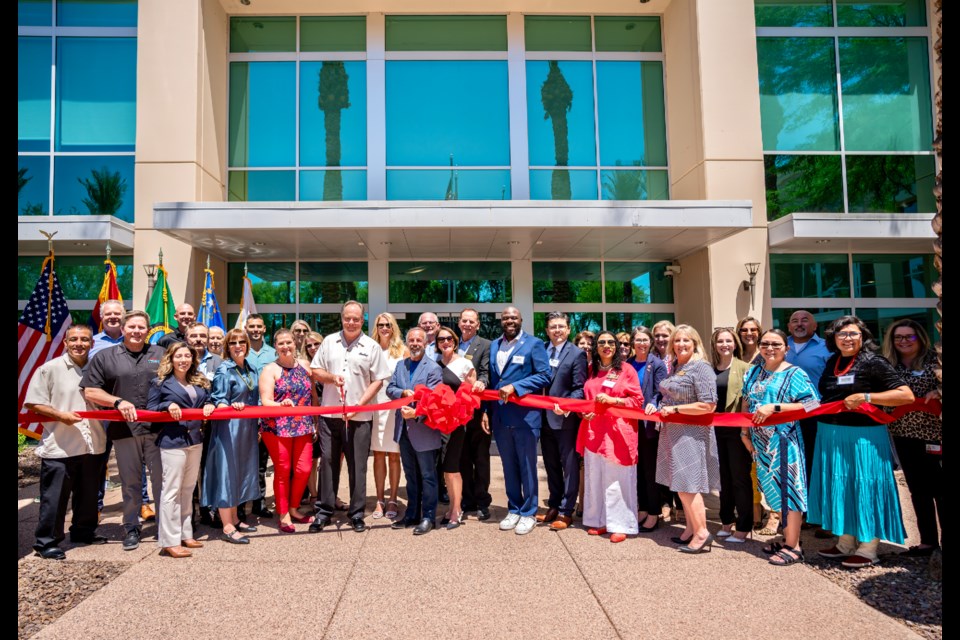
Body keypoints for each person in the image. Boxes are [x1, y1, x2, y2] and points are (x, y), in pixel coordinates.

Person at [811, 315, 914, 568]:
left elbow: (906, 395)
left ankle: (868, 548)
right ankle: (845, 543)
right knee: (841, 487)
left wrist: (867, 396)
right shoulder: (833, 361)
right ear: (833, 338)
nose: (847, 338)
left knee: (866, 487)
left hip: (864, 437)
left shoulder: (873, 362)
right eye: (842, 334)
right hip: (832, 434)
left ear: (863, 337)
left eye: (853, 334)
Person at [81, 310, 165, 552]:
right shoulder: (105, 356)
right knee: (130, 482)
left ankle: (165, 527)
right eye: (132, 327)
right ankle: (131, 527)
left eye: (141, 327)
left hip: (158, 430)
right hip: (123, 429)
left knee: (161, 480)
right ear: (124, 329)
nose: (137, 331)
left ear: (148, 330)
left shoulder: (160, 354)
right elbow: (90, 391)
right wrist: (117, 401)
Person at [25, 325, 107, 559]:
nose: (79, 343)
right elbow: (33, 403)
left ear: (92, 343)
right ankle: (46, 542)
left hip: (94, 442)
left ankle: (83, 531)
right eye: (74, 339)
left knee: (89, 493)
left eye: (84, 339)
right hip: (61, 445)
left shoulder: (96, 369)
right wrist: (61, 415)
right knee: (55, 499)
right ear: (65, 343)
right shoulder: (49, 369)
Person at [310, 301, 392, 533]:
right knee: (327, 464)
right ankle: (324, 511)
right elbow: (316, 371)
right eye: (347, 318)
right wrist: (331, 377)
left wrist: (360, 404)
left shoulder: (371, 346)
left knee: (357, 467)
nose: (351, 322)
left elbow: (378, 379)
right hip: (330, 414)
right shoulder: (328, 342)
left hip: (360, 417)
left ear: (362, 320)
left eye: (356, 318)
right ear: (342, 318)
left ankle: (356, 513)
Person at [742, 329, 820, 566]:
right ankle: (787, 537)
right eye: (765, 344)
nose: (770, 348)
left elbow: (812, 404)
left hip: (784, 442)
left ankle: (794, 547)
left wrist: (775, 407)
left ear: (786, 348)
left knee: (790, 492)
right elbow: (747, 401)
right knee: (773, 492)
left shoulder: (794, 373)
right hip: (759, 443)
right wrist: (743, 432)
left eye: (776, 344)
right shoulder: (754, 371)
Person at [648, 324, 719, 554]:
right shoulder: (678, 367)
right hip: (673, 432)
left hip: (691, 434)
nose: (681, 344)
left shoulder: (701, 368)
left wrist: (676, 411)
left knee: (689, 485)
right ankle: (690, 528)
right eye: (677, 341)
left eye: (686, 340)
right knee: (680, 485)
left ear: (695, 343)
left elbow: (709, 405)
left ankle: (701, 533)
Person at [146, 343, 216, 558]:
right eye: (179, 356)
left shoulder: (199, 381)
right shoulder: (159, 383)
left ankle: (186, 534)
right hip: (172, 441)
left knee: (188, 490)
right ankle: (169, 541)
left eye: (187, 356)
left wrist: (210, 405)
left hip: (195, 439)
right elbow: (150, 409)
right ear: (171, 359)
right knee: (171, 492)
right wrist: (167, 406)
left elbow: (209, 399)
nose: (183, 360)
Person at [489, 306, 552, 536]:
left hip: (526, 417)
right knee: (509, 466)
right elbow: (493, 381)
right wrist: (488, 412)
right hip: (501, 417)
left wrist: (517, 386)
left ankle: (529, 512)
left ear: (521, 319)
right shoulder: (495, 345)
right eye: (505, 317)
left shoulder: (534, 344)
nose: (509, 320)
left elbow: (545, 375)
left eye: (513, 317)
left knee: (527, 467)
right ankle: (514, 508)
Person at [882, 319, 942, 557]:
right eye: (898, 337)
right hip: (903, 435)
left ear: (920, 338)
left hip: (934, 434)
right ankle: (927, 542)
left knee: (940, 487)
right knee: (918, 489)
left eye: (909, 336)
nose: (904, 341)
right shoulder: (889, 366)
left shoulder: (934, 362)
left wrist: (938, 392)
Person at [578, 331, 644, 543]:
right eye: (601, 342)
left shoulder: (626, 370)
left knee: (617, 480)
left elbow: (637, 401)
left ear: (616, 346)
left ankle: (620, 524)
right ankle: (599, 520)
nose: (606, 346)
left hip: (618, 433)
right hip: (594, 432)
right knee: (595, 478)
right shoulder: (591, 370)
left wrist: (613, 401)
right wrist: (584, 411)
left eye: (610, 342)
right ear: (595, 347)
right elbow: (586, 398)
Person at [90, 299, 153, 522]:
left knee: (138, 462)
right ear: (102, 316)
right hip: (102, 414)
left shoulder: (152, 350)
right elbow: (89, 384)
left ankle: (144, 503)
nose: (114, 317)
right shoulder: (92, 344)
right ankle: (96, 506)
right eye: (109, 314)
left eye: (118, 313)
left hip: (139, 416)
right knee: (99, 460)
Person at [204, 328, 262, 545]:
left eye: (242, 342)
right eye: (233, 342)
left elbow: (254, 398)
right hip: (229, 428)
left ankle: (236, 517)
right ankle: (227, 525)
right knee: (227, 472)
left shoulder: (251, 368)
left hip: (247, 428)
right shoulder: (224, 369)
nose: (238, 346)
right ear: (227, 347)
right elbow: (218, 398)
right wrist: (227, 405)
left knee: (241, 471)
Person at [259, 329, 317, 533]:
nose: (285, 346)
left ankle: (294, 507)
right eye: (281, 343)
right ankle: (283, 513)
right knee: (283, 471)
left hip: (303, 425)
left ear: (295, 344)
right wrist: (280, 404)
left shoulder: (305, 366)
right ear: (275, 346)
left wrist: (315, 420)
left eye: (289, 342)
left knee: (304, 469)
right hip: (277, 426)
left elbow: (313, 395)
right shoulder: (270, 369)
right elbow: (265, 401)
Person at [387, 328, 444, 535]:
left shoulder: (433, 368)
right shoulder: (400, 365)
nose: (415, 343)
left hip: (424, 430)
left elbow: (435, 401)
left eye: (419, 340)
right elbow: (390, 388)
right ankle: (411, 514)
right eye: (411, 340)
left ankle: (428, 516)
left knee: (428, 476)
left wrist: (416, 414)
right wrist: (401, 392)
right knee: (410, 475)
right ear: (406, 342)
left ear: (425, 342)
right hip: (403, 430)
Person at [539, 312, 587, 531]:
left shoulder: (576, 354)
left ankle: (567, 511)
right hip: (542, 418)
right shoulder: (541, 350)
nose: (556, 330)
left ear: (568, 330)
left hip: (564, 419)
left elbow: (580, 388)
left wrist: (567, 405)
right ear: (547, 330)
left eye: (561, 326)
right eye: (552, 327)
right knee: (550, 465)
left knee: (568, 466)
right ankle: (554, 505)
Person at [435, 325, 482, 529]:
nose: (445, 342)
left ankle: (456, 510)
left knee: (453, 468)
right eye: (441, 340)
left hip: (456, 424)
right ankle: (452, 507)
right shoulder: (434, 365)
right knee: (445, 469)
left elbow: (473, 394)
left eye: (449, 339)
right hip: (437, 425)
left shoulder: (464, 364)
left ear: (454, 341)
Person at [709, 327, 752, 543]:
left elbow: (749, 400)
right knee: (723, 480)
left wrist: (746, 432)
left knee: (739, 479)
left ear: (735, 344)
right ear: (714, 345)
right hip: (714, 432)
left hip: (738, 432)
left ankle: (744, 526)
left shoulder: (746, 368)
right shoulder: (710, 369)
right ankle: (726, 521)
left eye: (728, 341)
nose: (724, 344)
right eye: (720, 341)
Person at [785, 310, 832, 501]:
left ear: (815, 326)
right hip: (784, 416)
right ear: (788, 327)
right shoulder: (780, 345)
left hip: (815, 414)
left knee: (814, 462)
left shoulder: (826, 348)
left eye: (805, 320)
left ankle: (818, 512)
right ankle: (797, 511)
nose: (799, 324)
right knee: (791, 463)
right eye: (794, 321)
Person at [630, 327, 668, 532]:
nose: (641, 343)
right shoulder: (627, 364)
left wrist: (653, 403)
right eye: (638, 340)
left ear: (650, 341)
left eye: (645, 339)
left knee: (649, 470)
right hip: (630, 425)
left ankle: (654, 512)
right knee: (637, 470)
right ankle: (642, 508)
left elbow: (660, 391)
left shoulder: (657, 364)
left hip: (648, 426)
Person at [456, 308, 492, 520]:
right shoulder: (452, 344)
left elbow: (487, 373)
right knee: (462, 457)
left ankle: (482, 501)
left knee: (481, 458)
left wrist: (482, 383)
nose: (468, 324)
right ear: (459, 323)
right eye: (464, 321)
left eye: (472, 321)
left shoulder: (485, 345)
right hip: (457, 412)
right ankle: (466, 499)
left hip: (478, 410)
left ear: (477, 325)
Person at [370, 313, 406, 520]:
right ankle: (379, 499)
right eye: (380, 324)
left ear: (394, 327)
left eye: (388, 324)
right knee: (377, 455)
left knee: (394, 455)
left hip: (394, 408)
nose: (385, 328)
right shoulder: (370, 349)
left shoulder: (402, 351)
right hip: (374, 408)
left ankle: (392, 498)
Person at [245, 313, 277, 518]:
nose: (255, 330)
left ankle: (260, 502)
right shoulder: (240, 351)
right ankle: (241, 504)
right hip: (244, 415)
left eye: (259, 326)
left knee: (261, 463)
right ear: (246, 328)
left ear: (264, 329)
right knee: (242, 461)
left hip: (266, 415)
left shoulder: (273, 354)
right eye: (251, 327)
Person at [303, 331, 324, 506]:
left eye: (316, 344)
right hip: (312, 417)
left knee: (332, 460)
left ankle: (329, 495)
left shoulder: (330, 364)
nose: (312, 348)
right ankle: (314, 496)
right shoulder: (304, 366)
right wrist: (314, 420)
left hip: (333, 415)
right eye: (308, 345)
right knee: (312, 458)